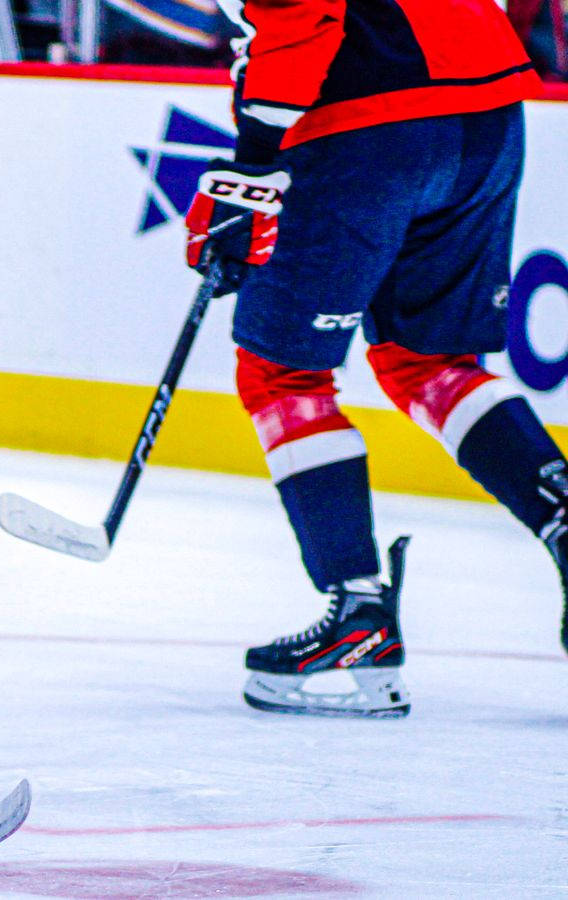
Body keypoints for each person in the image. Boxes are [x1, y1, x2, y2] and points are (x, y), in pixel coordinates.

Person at [185, 0, 565, 718]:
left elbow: (302, 10)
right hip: (487, 110)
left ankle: (357, 616)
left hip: (367, 118)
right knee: (430, 361)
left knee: (281, 373)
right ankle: (563, 517)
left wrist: (256, 160)